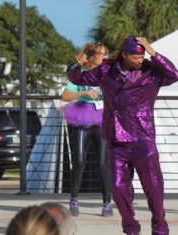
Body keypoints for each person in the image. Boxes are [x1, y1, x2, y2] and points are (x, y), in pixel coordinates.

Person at [67, 35, 178, 235]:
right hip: (116, 138)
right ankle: (130, 228)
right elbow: (78, 79)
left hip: (142, 137)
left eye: (142, 55)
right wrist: (77, 65)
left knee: (153, 187)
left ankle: (159, 226)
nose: (140, 59)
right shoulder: (106, 70)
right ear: (125, 54)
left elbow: (175, 75)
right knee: (119, 188)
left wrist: (153, 52)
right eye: (136, 56)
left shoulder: (151, 70)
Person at [61, 42, 113, 217]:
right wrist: (82, 93)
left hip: (102, 119)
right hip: (81, 118)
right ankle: (74, 199)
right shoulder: (80, 74)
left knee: (102, 163)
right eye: (100, 54)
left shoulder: (108, 73)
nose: (104, 57)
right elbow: (65, 96)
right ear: (91, 55)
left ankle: (107, 203)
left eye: (106, 54)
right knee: (79, 160)